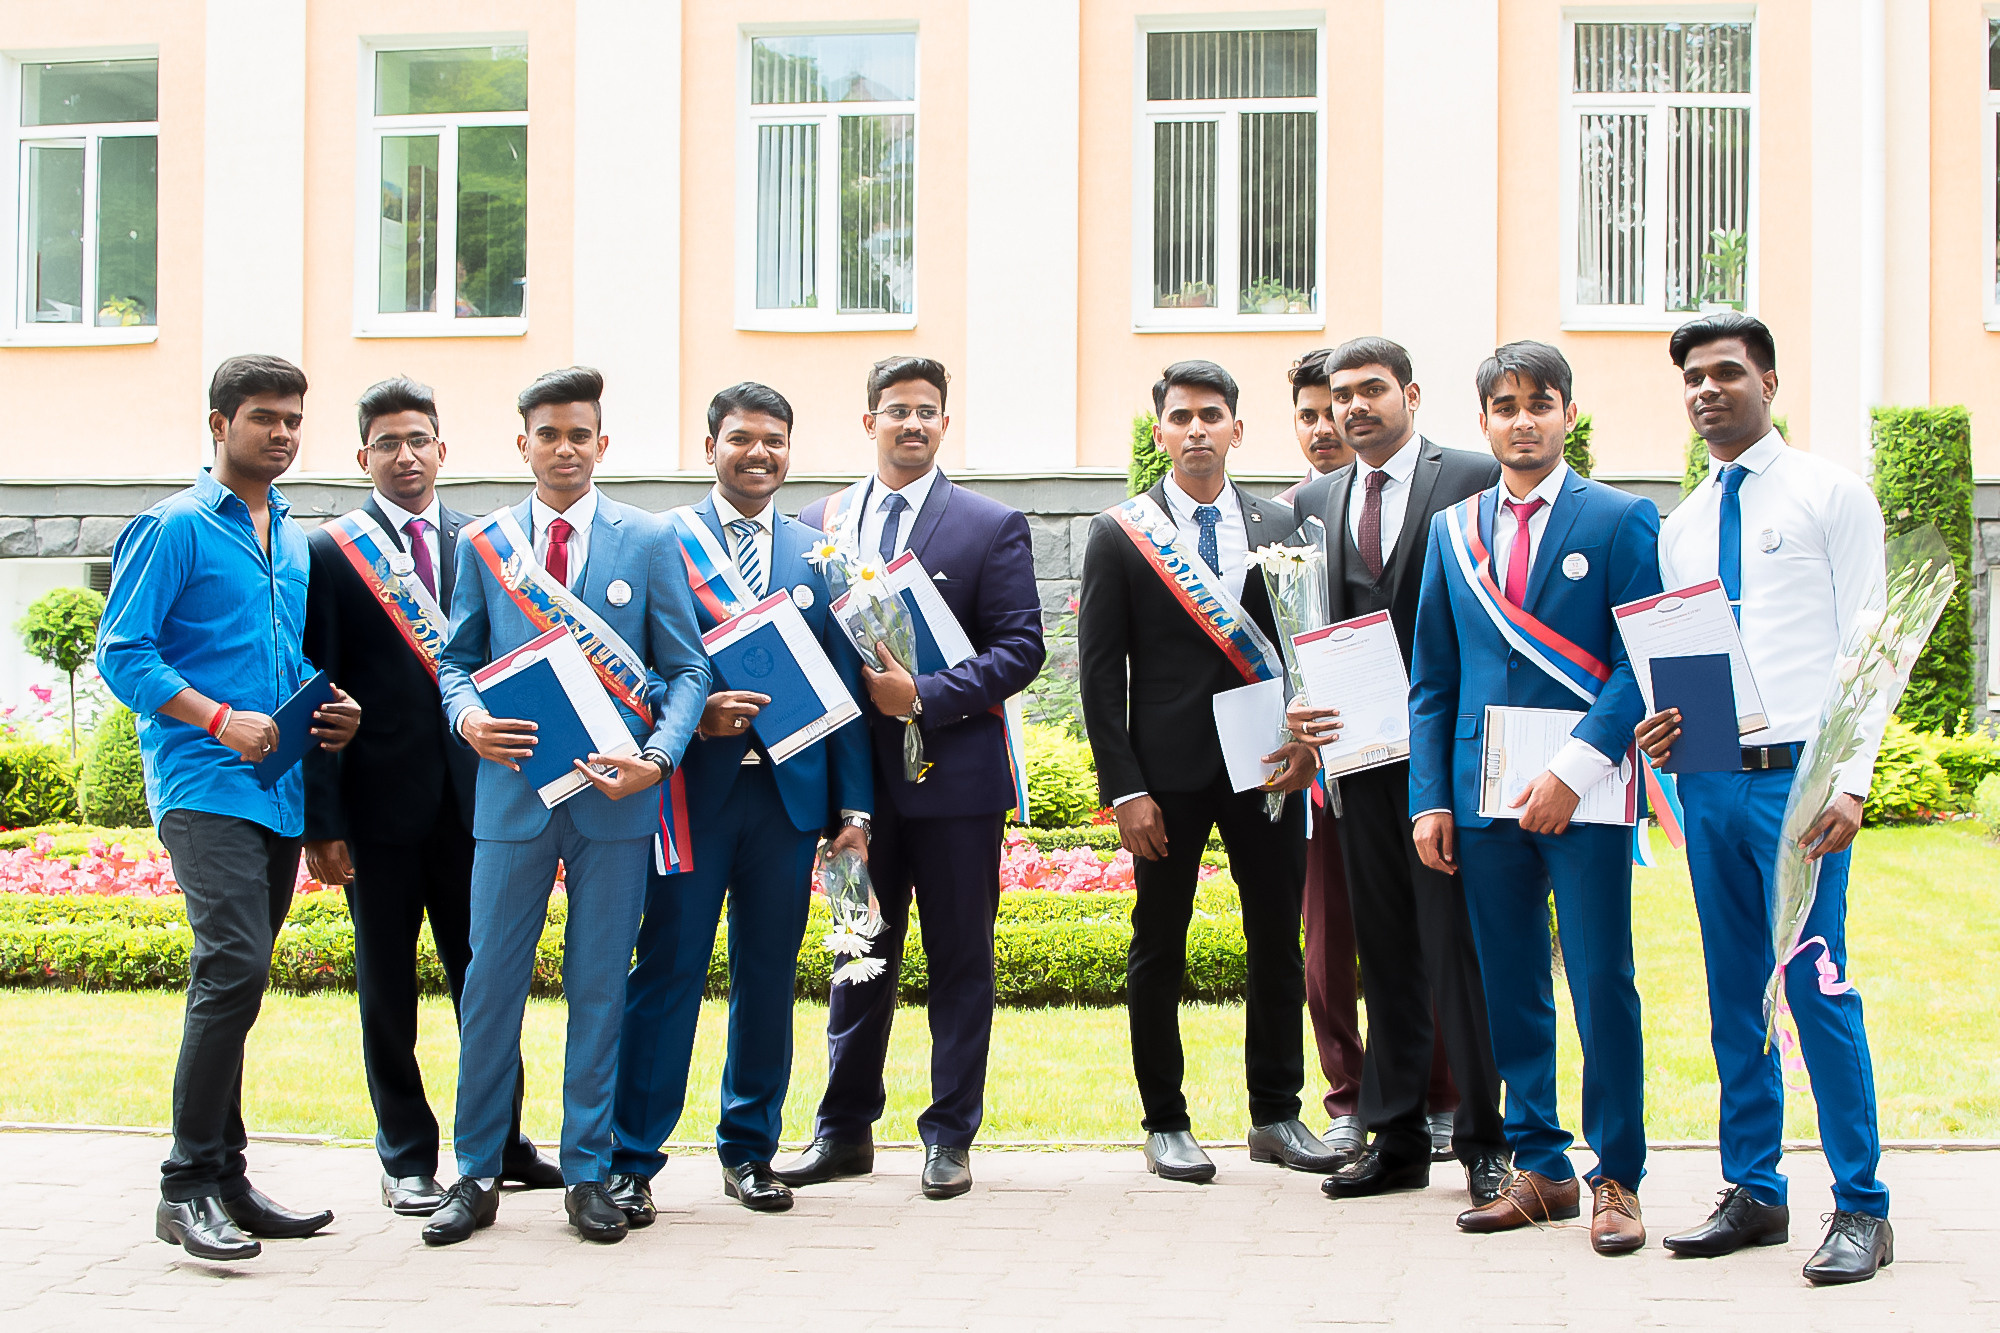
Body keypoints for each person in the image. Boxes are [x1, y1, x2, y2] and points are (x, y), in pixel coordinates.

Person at [1635, 313, 1894, 1285]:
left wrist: (1852, 778)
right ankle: (1753, 1188)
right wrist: (1663, 727)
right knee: (1733, 991)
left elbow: (1866, 649)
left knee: (1814, 985)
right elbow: (1685, 663)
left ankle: (1861, 1205)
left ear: (1768, 381)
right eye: (1693, 377)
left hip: (1800, 782)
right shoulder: (1682, 525)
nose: (1706, 389)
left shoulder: (1829, 494)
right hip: (1707, 780)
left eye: (1726, 372)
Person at [422, 367, 708, 1246]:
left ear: (602, 443)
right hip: (512, 794)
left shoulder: (649, 538)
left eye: (580, 434)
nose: (564, 448)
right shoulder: (487, 543)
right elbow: (455, 658)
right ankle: (474, 1171)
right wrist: (466, 715)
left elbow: (688, 667)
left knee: (597, 988)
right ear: (523, 442)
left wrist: (659, 758)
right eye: (548, 433)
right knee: (490, 986)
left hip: (615, 801)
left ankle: (588, 1171)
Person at [97, 354, 362, 1261]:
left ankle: (230, 1181)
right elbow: (122, 654)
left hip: (277, 790)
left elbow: (279, 658)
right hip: (203, 783)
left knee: (240, 984)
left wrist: (332, 708)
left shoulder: (289, 533)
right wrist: (216, 716)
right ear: (218, 424)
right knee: (234, 965)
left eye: (292, 417)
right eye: (262, 418)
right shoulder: (172, 527)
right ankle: (183, 1186)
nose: (282, 433)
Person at [1405, 342, 1658, 1253]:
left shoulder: (1623, 519)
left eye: (1539, 403)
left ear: (1569, 414)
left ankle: (1617, 1176)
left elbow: (1641, 661)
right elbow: (1432, 677)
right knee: (1510, 985)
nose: (1522, 419)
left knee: (1600, 984)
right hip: (1482, 795)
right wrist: (1428, 797)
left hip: (1583, 796)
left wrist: (1576, 768)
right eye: (1505, 405)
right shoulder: (1454, 529)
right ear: (1483, 421)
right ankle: (1542, 1166)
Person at [777, 356, 1046, 1200]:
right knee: (857, 952)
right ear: (869, 423)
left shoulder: (988, 524)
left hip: (957, 791)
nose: (913, 424)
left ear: (945, 423)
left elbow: (1021, 648)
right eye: (897, 410)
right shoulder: (820, 523)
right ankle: (843, 1130)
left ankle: (948, 1135)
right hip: (853, 794)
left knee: (960, 959)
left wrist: (922, 695)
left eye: (929, 411)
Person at [607, 384, 873, 1221]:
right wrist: (688, 720)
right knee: (669, 974)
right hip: (692, 796)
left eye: (774, 441)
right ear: (710, 444)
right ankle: (632, 1157)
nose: (758, 454)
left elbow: (847, 691)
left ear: (790, 449)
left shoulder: (819, 551)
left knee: (767, 979)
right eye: (741, 439)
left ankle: (749, 1150)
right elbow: (632, 665)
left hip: (790, 805)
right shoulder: (662, 543)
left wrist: (854, 810)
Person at [301, 378, 562, 1217]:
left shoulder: (487, 543)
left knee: (488, 978)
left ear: (443, 449)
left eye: (419, 439)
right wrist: (324, 821)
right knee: (389, 989)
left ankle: (503, 1140)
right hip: (378, 814)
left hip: (483, 804)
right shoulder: (330, 554)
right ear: (362, 457)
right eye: (387, 442)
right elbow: (317, 691)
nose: (405, 455)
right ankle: (407, 1154)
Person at [1077, 359, 1333, 1184]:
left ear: (1236, 428)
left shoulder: (1285, 524)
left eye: (1211, 415)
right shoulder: (1121, 532)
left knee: (1276, 941)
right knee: (1160, 944)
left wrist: (1310, 741)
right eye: (1180, 417)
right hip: (1168, 777)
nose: (1196, 430)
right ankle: (1166, 1121)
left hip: (1269, 767)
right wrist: (1125, 787)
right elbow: (1097, 674)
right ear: (1160, 432)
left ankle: (1276, 1113)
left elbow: (1309, 647)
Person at [1286, 336, 1510, 1204]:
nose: (1352, 407)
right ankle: (1396, 1135)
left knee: (1456, 945)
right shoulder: (1312, 501)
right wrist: (1299, 703)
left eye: (1371, 390)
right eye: (1340, 395)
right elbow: (1305, 626)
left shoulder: (1472, 480)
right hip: (1357, 756)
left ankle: (1485, 1139)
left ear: (1410, 394)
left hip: (1449, 755)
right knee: (1380, 945)